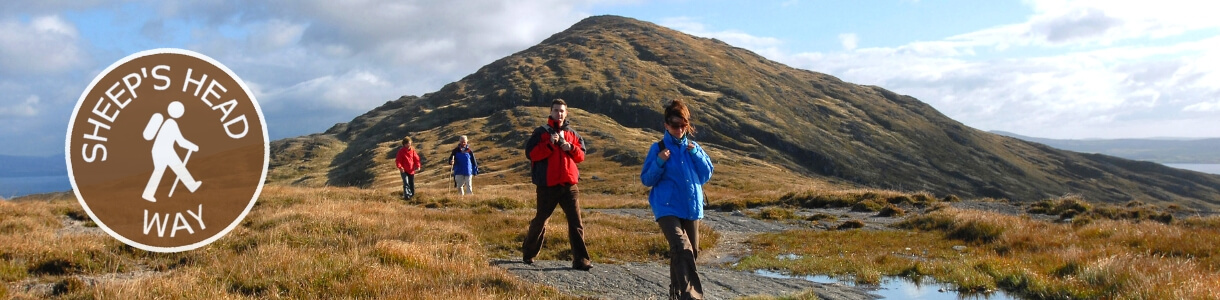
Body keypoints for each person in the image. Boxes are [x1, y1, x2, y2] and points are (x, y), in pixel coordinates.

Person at [640, 99, 714, 300]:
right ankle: (692, 297)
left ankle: (675, 294)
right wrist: (659, 162)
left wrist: (696, 153)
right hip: (666, 207)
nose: (680, 129)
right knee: (682, 247)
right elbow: (647, 179)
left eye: (684, 125)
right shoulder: (658, 148)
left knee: (691, 253)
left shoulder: (694, 147)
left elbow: (706, 174)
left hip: (691, 208)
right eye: (675, 125)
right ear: (666, 125)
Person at [522, 98, 592, 271]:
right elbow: (531, 154)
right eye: (556, 110)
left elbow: (581, 156)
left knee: (576, 223)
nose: (559, 114)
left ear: (566, 113)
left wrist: (571, 148)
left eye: (562, 111)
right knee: (540, 221)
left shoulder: (573, 134)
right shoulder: (540, 133)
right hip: (547, 185)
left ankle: (581, 260)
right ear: (550, 112)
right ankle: (528, 253)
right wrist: (550, 145)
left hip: (569, 186)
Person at [142, 101, 201, 202]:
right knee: (173, 169)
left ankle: (192, 186)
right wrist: (194, 147)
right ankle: (191, 186)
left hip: (161, 150)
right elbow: (180, 141)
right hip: (165, 151)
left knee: (169, 169)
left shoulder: (168, 122)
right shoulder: (171, 123)